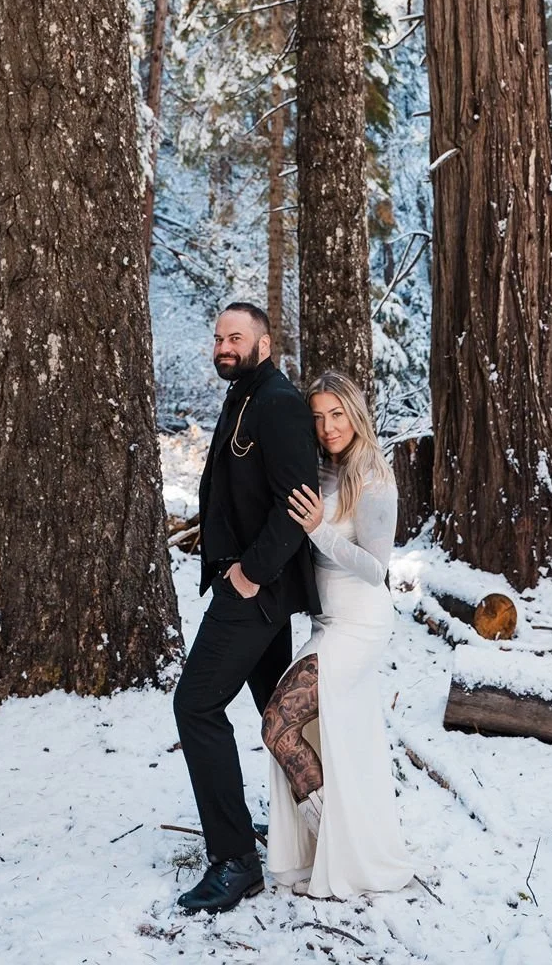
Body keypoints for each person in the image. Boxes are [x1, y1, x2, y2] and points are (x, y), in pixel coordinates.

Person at [173, 303, 321, 915]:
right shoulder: (244, 395)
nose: (224, 346)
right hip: (252, 591)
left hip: (255, 594)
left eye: (236, 337)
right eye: (218, 337)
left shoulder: (278, 401)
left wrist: (250, 574)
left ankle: (234, 860)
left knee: (196, 705)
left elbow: (298, 498)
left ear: (264, 342)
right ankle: (310, 830)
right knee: (274, 716)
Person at [262, 368, 412, 899]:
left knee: (279, 725)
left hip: (361, 623)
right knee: (313, 734)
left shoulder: (374, 476)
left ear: (355, 413)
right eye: (319, 416)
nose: (328, 426)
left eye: (337, 414)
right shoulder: (321, 469)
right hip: (328, 621)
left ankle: (337, 844)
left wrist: (318, 530)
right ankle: (335, 844)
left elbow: (376, 568)